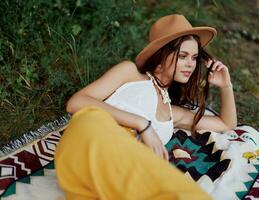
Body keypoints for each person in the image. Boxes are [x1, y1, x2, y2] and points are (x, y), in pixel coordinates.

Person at [55, 14, 237, 200]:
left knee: (186, 194)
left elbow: (226, 123)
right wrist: (143, 124)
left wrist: (226, 86)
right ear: (161, 55)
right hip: (95, 136)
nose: (191, 64)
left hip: (125, 165)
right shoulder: (130, 74)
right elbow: (76, 103)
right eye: (183, 56)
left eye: (194, 57)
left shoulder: (173, 113)